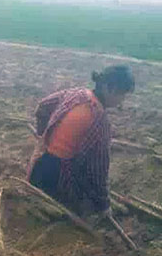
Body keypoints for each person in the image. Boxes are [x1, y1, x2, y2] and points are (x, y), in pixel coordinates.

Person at [28, 65, 135, 219]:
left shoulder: (76, 94)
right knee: (85, 201)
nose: (122, 101)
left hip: (37, 167)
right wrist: (104, 205)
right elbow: (99, 170)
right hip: (58, 179)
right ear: (109, 88)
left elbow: (43, 106)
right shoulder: (100, 121)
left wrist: (44, 135)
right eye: (122, 95)